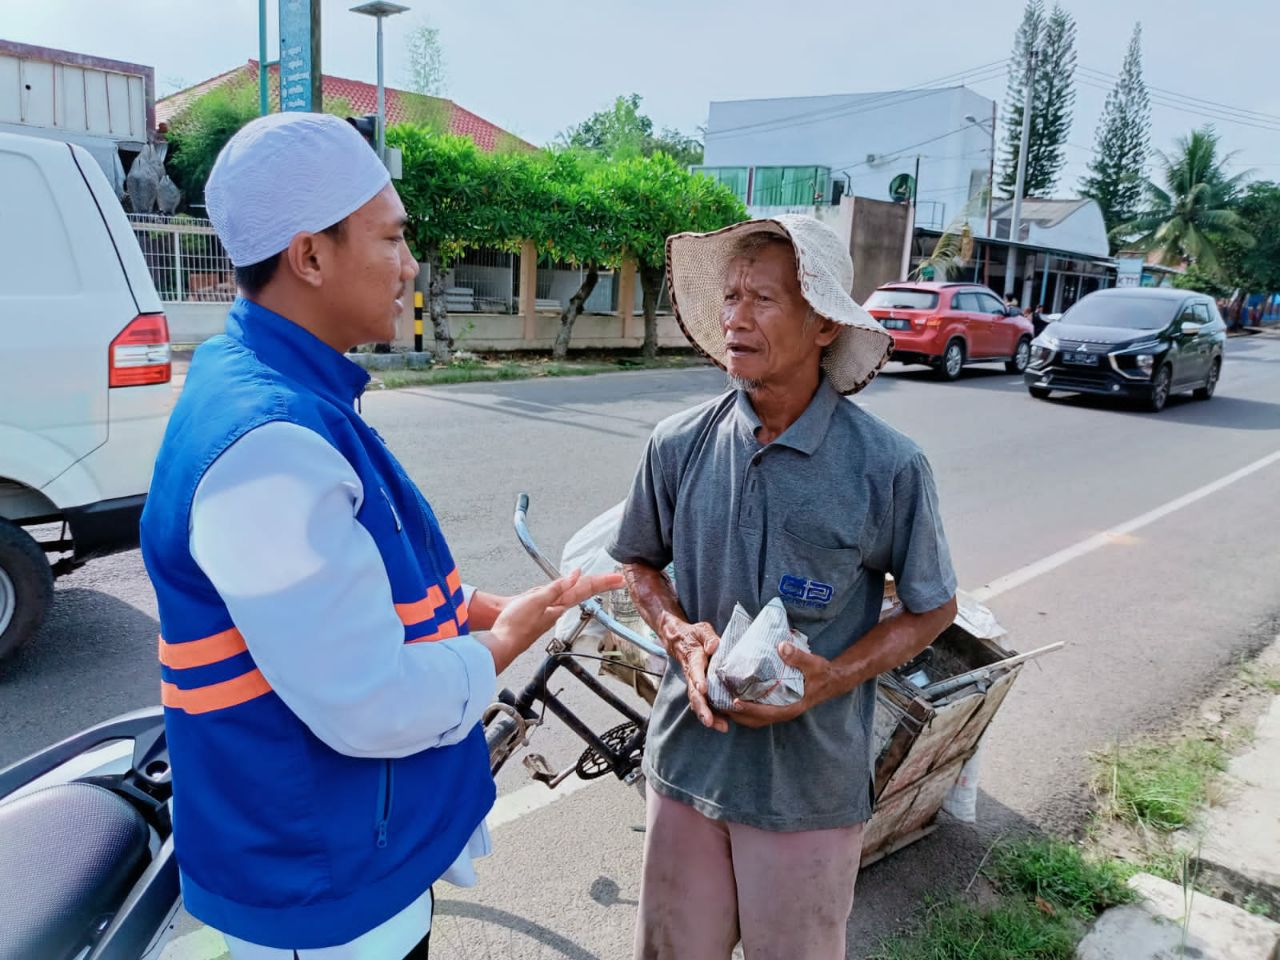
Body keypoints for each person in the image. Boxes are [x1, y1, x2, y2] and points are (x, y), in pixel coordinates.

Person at [139, 113, 620, 959]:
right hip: (318, 886)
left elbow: (357, 585)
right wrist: (505, 641)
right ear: (310, 255)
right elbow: (370, 698)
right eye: (392, 239)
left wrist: (480, 607)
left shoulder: (287, 392)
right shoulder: (267, 444)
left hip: (340, 850)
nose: (409, 266)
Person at [609, 215, 959, 959]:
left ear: (824, 325)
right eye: (731, 297)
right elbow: (638, 564)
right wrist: (678, 633)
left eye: (762, 300)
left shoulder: (886, 467)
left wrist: (831, 678)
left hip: (808, 792)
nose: (735, 318)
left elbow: (933, 606)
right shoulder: (677, 444)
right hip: (687, 769)